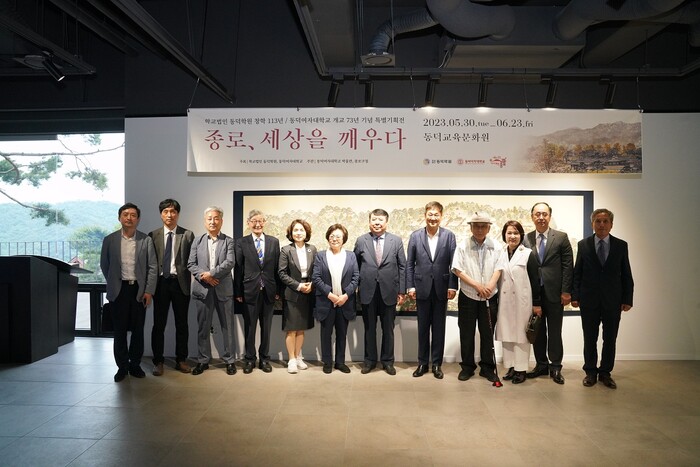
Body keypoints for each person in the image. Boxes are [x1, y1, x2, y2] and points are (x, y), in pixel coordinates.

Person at [572, 208, 634, 389]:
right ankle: (590, 372)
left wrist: (627, 299)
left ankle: (605, 372)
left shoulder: (621, 245)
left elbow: (626, 273)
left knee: (610, 338)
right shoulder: (583, 245)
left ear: (611, 224)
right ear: (592, 224)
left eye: (605, 221)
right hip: (589, 300)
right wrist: (575, 296)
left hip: (612, 301)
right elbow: (577, 273)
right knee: (589, 338)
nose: (601, 224)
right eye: (598, 221)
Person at [100, 203, 157, 382]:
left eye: (133, 215)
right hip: (119, 291)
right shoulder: (109, 240)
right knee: (120, 331)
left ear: (138, 219)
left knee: (138, 330)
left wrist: (148, 291)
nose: (129, 218)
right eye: (125, 214)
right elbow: (105, 265)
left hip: (139, 291)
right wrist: (113, 283)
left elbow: (153, 267)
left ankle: (135, 365)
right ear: (119, 218)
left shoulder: (145, 240)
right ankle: (122, 367)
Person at [523, 202, 574, 385]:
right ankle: (541, 365)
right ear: (532, 216)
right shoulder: (526, 239)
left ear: (549, 216)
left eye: (544, 214)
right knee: (537, 331)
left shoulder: (561, 237)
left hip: (555, 294)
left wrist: (566, 291)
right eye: (537, 214)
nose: (541, 217)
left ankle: (556, 366)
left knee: (554, 331)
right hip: (534, 295)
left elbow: (568, 265)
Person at [406, 201, 457, 379]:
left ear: (441, 216)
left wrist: (452, 285)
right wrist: (410, 286)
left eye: (436, 215)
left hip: (442, 289)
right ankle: (422, 363)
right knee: (422, 328)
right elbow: (410, 264)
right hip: (421, 288)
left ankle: (436, 364)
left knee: (439, 328)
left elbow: (454, 264)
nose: (433, 218)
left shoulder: (449, 236)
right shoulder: (415, 236)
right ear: (425, 215)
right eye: (430, 214)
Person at [353, 208, 406, 375]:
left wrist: (402, 291)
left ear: (386, 222)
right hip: (367, 291)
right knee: (369, 329)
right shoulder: (361, 240)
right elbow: (355, 266)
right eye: (374, 220)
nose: (377, 223)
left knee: (388, 329)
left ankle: (388, 362)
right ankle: (369, 361)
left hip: (389, 291)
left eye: (380, 220)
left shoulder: (396, 241)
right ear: (369, 222)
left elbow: (402, 266)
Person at [451, 212, 502, 383]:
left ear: (488, 228)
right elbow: (458, 270)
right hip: (468, 295)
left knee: (487, 333)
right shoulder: (462, 246)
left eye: (483, 226)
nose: (480, 229)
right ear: (471, 227)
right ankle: (467, 367)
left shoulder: (496, 246)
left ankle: (487, 368)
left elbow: (499, 268)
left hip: (489, 296)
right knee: (466, 333)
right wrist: (477, 286)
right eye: (476, 226)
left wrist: (490, 285)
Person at [148, 199, 195, 376]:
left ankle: (181, 360)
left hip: (180, 284)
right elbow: (150, 263)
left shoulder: (187, 235)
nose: (170, 215)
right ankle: (158, 361)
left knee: (182, 324)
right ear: (161, 214)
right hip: (160, 284)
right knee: (158, 325)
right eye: (166, 211)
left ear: (178, 214)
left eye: (173, 211)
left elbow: (192, 261)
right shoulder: (153, 235)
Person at [187, 206, 236, 376]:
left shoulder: (229, 241)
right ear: (205, 221)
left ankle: (230, 360)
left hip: (224, 290)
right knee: (203, 327)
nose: (213, 221)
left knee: (227, 327)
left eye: (216, 218)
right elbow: (191, 264)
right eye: (209, 218)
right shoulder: (197, 241)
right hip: (202, 289)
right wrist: (205, 277)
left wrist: (211, 274)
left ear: (221, 221)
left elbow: (230, 262)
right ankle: (203, 360)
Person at [235, 210, 282, 374]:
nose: (257, 224)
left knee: (266, 328)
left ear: (265, 222)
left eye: (260, 221)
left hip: (269, 290)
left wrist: (278, 290)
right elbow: (238, 268)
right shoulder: (241, 242)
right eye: (254, 221)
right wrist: (238, 292)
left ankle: (264, 359)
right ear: (248, 223)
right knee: (250, 327)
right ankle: (249, 359)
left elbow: (277, 268)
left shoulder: (274, 242)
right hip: (249, 291)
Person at [495, 221, 542, 384]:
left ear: (521, 235)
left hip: (523, 302)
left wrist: (536, 304)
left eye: (516, 233)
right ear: (504, 235)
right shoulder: (501, 253)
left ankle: (521, 370)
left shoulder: (528, 254)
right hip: (505, 301)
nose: (512, 236)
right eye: (509, 233)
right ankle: (511, 367)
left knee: (521, 337)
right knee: (507, 335)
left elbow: (535, 280)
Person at [312, 224, 359, 374]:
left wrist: (345, 295)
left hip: (345, 302)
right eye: (331, 236)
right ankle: (327, 362)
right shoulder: (320, 255)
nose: (334, 239)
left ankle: (340, 362)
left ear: (343, 239)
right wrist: (330, 295)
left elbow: (356, 277)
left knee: (342, 334)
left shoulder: (351, 256)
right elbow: (316, 278)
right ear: (328, 238)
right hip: (326, 301)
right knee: (326, 334)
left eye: (338, 236)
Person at [278, 219, 317, 374]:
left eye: (301, 230)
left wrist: (312, 284)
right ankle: (291, 359)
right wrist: (299, 286)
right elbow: (282, 273)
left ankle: (298, 356)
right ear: (291, 233)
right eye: (296, 230)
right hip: (292, 294)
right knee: (291, 329)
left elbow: (316, 270)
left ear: (306, 233)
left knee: (301, 329)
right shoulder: (286, 250)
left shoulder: (312, 249)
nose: (299, 233)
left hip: (308, 293)